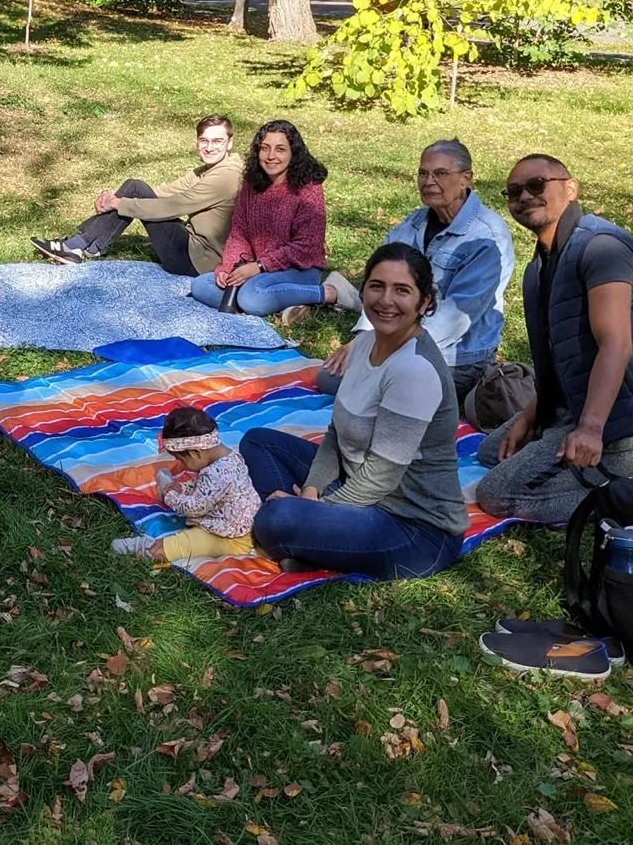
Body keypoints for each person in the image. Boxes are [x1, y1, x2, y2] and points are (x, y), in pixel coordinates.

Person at [238, 243, 470, 579]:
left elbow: (382, 475)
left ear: (425, 302)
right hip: (354, 485)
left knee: (275, 519)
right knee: (258, 441)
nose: (386, 300)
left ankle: (300, 533)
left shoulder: (414, 369)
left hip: (414, 527)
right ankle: (310, 538)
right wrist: (313, 490)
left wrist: (311, 509)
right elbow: (335, 435)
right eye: (377, 286)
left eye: (402, 290)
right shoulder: (363, 344)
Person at [474, 155, 633, 523]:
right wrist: (530, 414)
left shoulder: (601, 249)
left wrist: (589, 428)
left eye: (537, 185)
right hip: (574, 408)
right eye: (513, 191)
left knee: (497, 495)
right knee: (492, 453)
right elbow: (566, 359)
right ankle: (598, 473)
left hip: (630, 427)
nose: (524, 196)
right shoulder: (540, 265)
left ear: (570, 188)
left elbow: (616, 344)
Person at [322, 140, 515, 402]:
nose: (428, 181)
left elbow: (455, 318)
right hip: (394, 338)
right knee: (330, 379)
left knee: (377, 392)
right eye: (423, 173)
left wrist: (383, 348)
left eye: (440, 174)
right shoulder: (413, 224)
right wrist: (363, 340)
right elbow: (378, 285)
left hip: (453, 355)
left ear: (465, 179)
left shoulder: (488, 237)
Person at [188, 119, 353, 325]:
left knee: (251, 296)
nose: (271, 156)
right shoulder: (251, 184)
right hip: (258, 271)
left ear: (293, 153)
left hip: (299, 269)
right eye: (265, 148)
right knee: (201, 285)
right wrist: (227, 267)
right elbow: (239, 232)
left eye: (280, 149)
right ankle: (287, 302)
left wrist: (259, 266)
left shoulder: (308, 189)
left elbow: (305, 246)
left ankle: (330, 292)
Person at [30, 114, 239, 276]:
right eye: (204, 141)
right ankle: (81, 245)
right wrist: (114, 199)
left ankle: (76, 246)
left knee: (135, 189)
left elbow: (174, 205)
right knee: (135, 188)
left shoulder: (225, 177)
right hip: (193, 250)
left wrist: (120, 203)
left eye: (217, 141)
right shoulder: (208, 170)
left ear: (230, 143)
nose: (209, 147)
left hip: (196, 262)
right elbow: (163, 192)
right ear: (197, 142)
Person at [110, 406, 261, 561]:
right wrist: (183, 487)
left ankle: (148, 548)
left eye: (181, 460)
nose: (181, 464)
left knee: (186, 543)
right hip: (234, 521)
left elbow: (194, 508)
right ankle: (172, 492)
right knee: (194, 516)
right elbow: (208, 486)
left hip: (232, 538)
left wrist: (170, 496)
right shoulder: (230, 458)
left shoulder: (217, 474)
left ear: (196, 453)